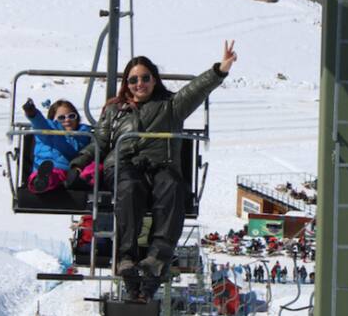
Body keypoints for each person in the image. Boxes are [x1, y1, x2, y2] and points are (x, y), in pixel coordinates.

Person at [66, 42, 236, 301]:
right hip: (123, 166)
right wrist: (78, 164)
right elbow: (99, 142)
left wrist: (219, 70)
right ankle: (126, 257)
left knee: (172, 186)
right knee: (129, 187)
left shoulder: (171, 105)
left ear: (154, 79)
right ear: (127, 83)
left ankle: (158, 256)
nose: (139, 83)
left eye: (145, 78)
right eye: (133, 79)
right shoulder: (114, 109)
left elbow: (196, 90)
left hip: (161, 165)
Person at [22, 98, 92, 193]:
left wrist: (68, 134)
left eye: (71, 116)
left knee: (57, 175)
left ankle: (44, 182)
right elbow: (40, 123)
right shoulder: (48, 130)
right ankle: (38, 181)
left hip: (63, 169)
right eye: (61, 118)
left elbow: (74, 149)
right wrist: (33, 114)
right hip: (42, 166)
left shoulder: (82, 135)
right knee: (37, 175)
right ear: (53, 120)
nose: (67, 120)